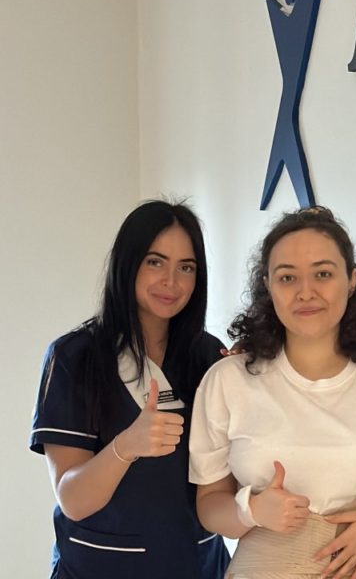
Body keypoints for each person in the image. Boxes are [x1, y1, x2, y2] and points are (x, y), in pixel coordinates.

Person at [190, 206, 356, 579]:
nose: (306, 292)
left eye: (323, 274)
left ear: (352, 280)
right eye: (287, 278)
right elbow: (208, 504)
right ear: (268, 285)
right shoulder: (227, 380)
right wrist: (251, 510)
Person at [29, 200, 230, 579]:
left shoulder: (209, 356)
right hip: (100, 567)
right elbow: (73, 499)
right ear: (128, 263)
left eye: (186, 267)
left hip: (198, 565)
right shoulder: (75, 357)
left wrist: (256, 379)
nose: (171, 281)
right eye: (155, 262)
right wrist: (125, 447)